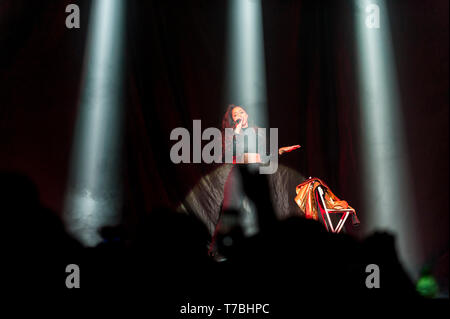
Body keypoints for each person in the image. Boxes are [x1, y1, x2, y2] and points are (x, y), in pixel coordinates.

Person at [208, 104, 300, 257]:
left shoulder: (257, 133)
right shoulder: (230, 135)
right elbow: (223, 155)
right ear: (233, 119)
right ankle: (215, 249)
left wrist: (280, 151)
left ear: (247, 116)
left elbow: (262, 157)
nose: (239, 115)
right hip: (238, 173)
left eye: (242, 112)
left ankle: (265, 249)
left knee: (261, 207)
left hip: (256, 172)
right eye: (235, 114)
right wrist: (235, 133)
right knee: (229, 210)